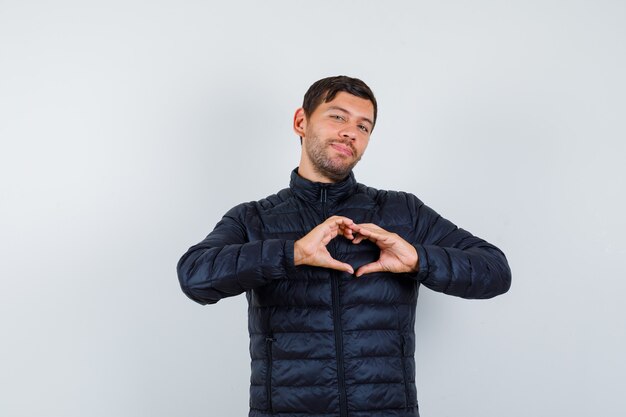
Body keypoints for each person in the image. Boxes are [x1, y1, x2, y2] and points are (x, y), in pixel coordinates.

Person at [177, 75, 511, 417]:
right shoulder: (255, 219)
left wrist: (417, 259)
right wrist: (292, 253)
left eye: (363, 126)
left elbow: (495, 271)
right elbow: (194, 277)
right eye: (338, 116)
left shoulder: (402, 212)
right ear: (301, 122)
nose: (351, 131)